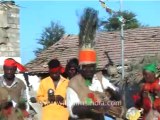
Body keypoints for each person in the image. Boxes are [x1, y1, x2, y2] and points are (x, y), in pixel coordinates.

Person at [66, 48, 122, 120]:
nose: (89, 70)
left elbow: (116, 94)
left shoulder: (100, 79)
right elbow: (73, 110)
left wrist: (113, 95)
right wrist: (94, 107)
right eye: (85, 66)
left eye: (91, 66)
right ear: (81, 68)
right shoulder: (73, 84)